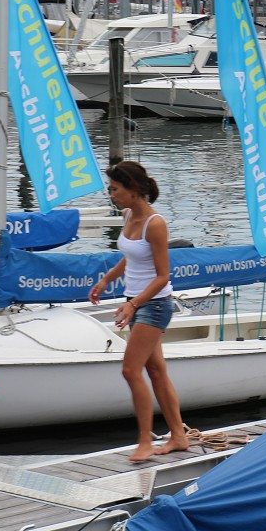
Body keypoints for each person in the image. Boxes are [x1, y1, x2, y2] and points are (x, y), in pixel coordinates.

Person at [89, 161, 188, 463]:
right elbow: (130, 258)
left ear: (132, 189)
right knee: (156, 371)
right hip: (138, 300)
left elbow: (162, 275)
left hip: (155, 303)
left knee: (130, 370)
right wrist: (107, 279)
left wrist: (133, 304)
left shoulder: (155, 224)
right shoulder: (128, 214)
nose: (111, 194)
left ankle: (145, 441)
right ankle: (179, 437)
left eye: (115, 189)